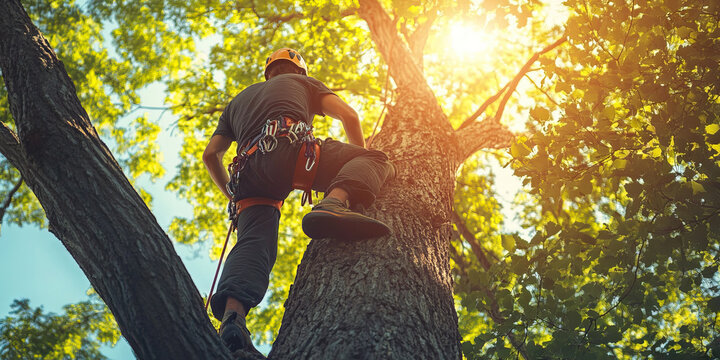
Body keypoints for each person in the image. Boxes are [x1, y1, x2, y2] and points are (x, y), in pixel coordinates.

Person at [202, 47, 395, 353]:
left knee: (253, 244)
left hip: (248, 178)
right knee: (378, 160)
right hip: (292, 153)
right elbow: (349, 115)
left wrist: (230, 192)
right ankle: (335, 202)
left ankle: (232, 319)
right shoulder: (305, 83)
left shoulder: (237, 102)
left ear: (269, 72)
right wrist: (357, 159)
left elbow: (211, 155)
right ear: (299, 70)